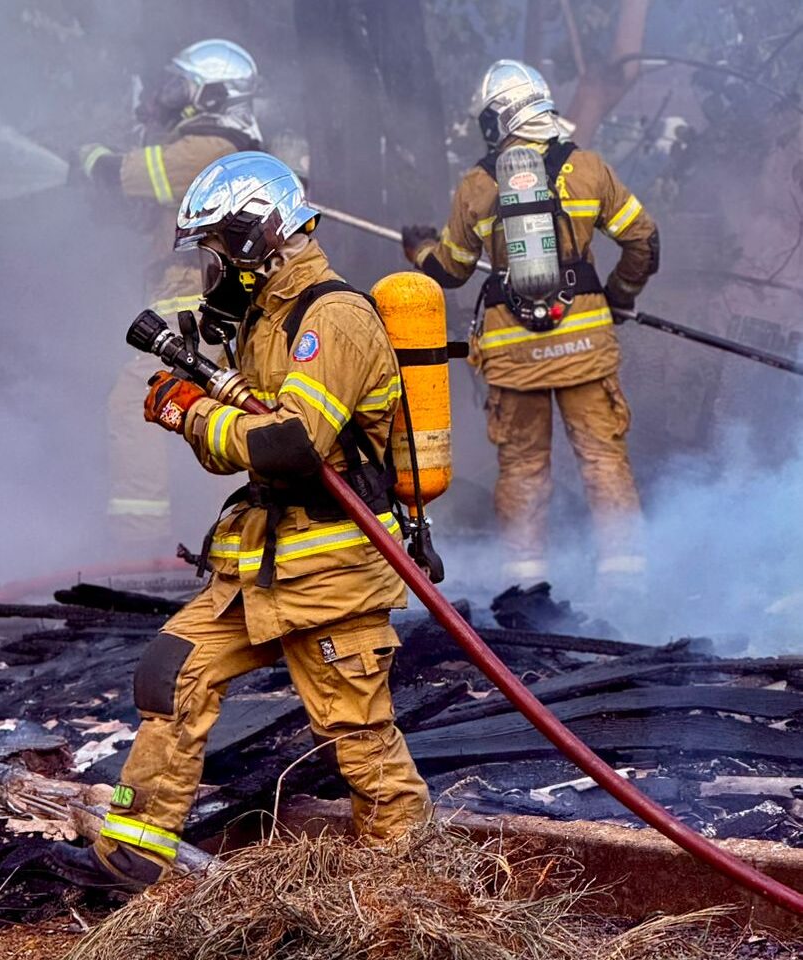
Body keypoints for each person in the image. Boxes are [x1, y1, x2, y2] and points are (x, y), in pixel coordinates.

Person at [50, 151, 430, 890]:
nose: (211, 269)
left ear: (258, 235)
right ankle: (131, 858)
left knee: (355, 734)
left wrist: (192, 412)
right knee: (172, 672)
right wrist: (189, 406)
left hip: (335, 568)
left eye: (218, 250)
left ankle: (406, 888)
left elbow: (290, 445)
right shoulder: (267, 321)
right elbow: (238, 455)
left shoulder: (335, 318)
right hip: (265, 560)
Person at [402, 60, 659, 586]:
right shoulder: (588, 168)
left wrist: (418, 247)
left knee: (522, 466)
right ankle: (626, 577)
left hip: (513, 354)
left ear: (496, 119)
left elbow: (449, 270)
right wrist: (618, 297)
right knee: (602, 457)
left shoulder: (478, 184)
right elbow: (644, 240)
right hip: (586, 344)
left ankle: (526, 581)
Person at [75, 39, 263, 550]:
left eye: (182, 87)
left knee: (134, 405)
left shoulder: (211, 151)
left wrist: (89, 158)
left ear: (214, 95)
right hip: (192, 308)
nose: (171, 97)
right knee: (205, 420)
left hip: (193, 308)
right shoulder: (217, 151)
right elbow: (138, 212)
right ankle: (218, 543)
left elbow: (129, 174)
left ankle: (141, 548)